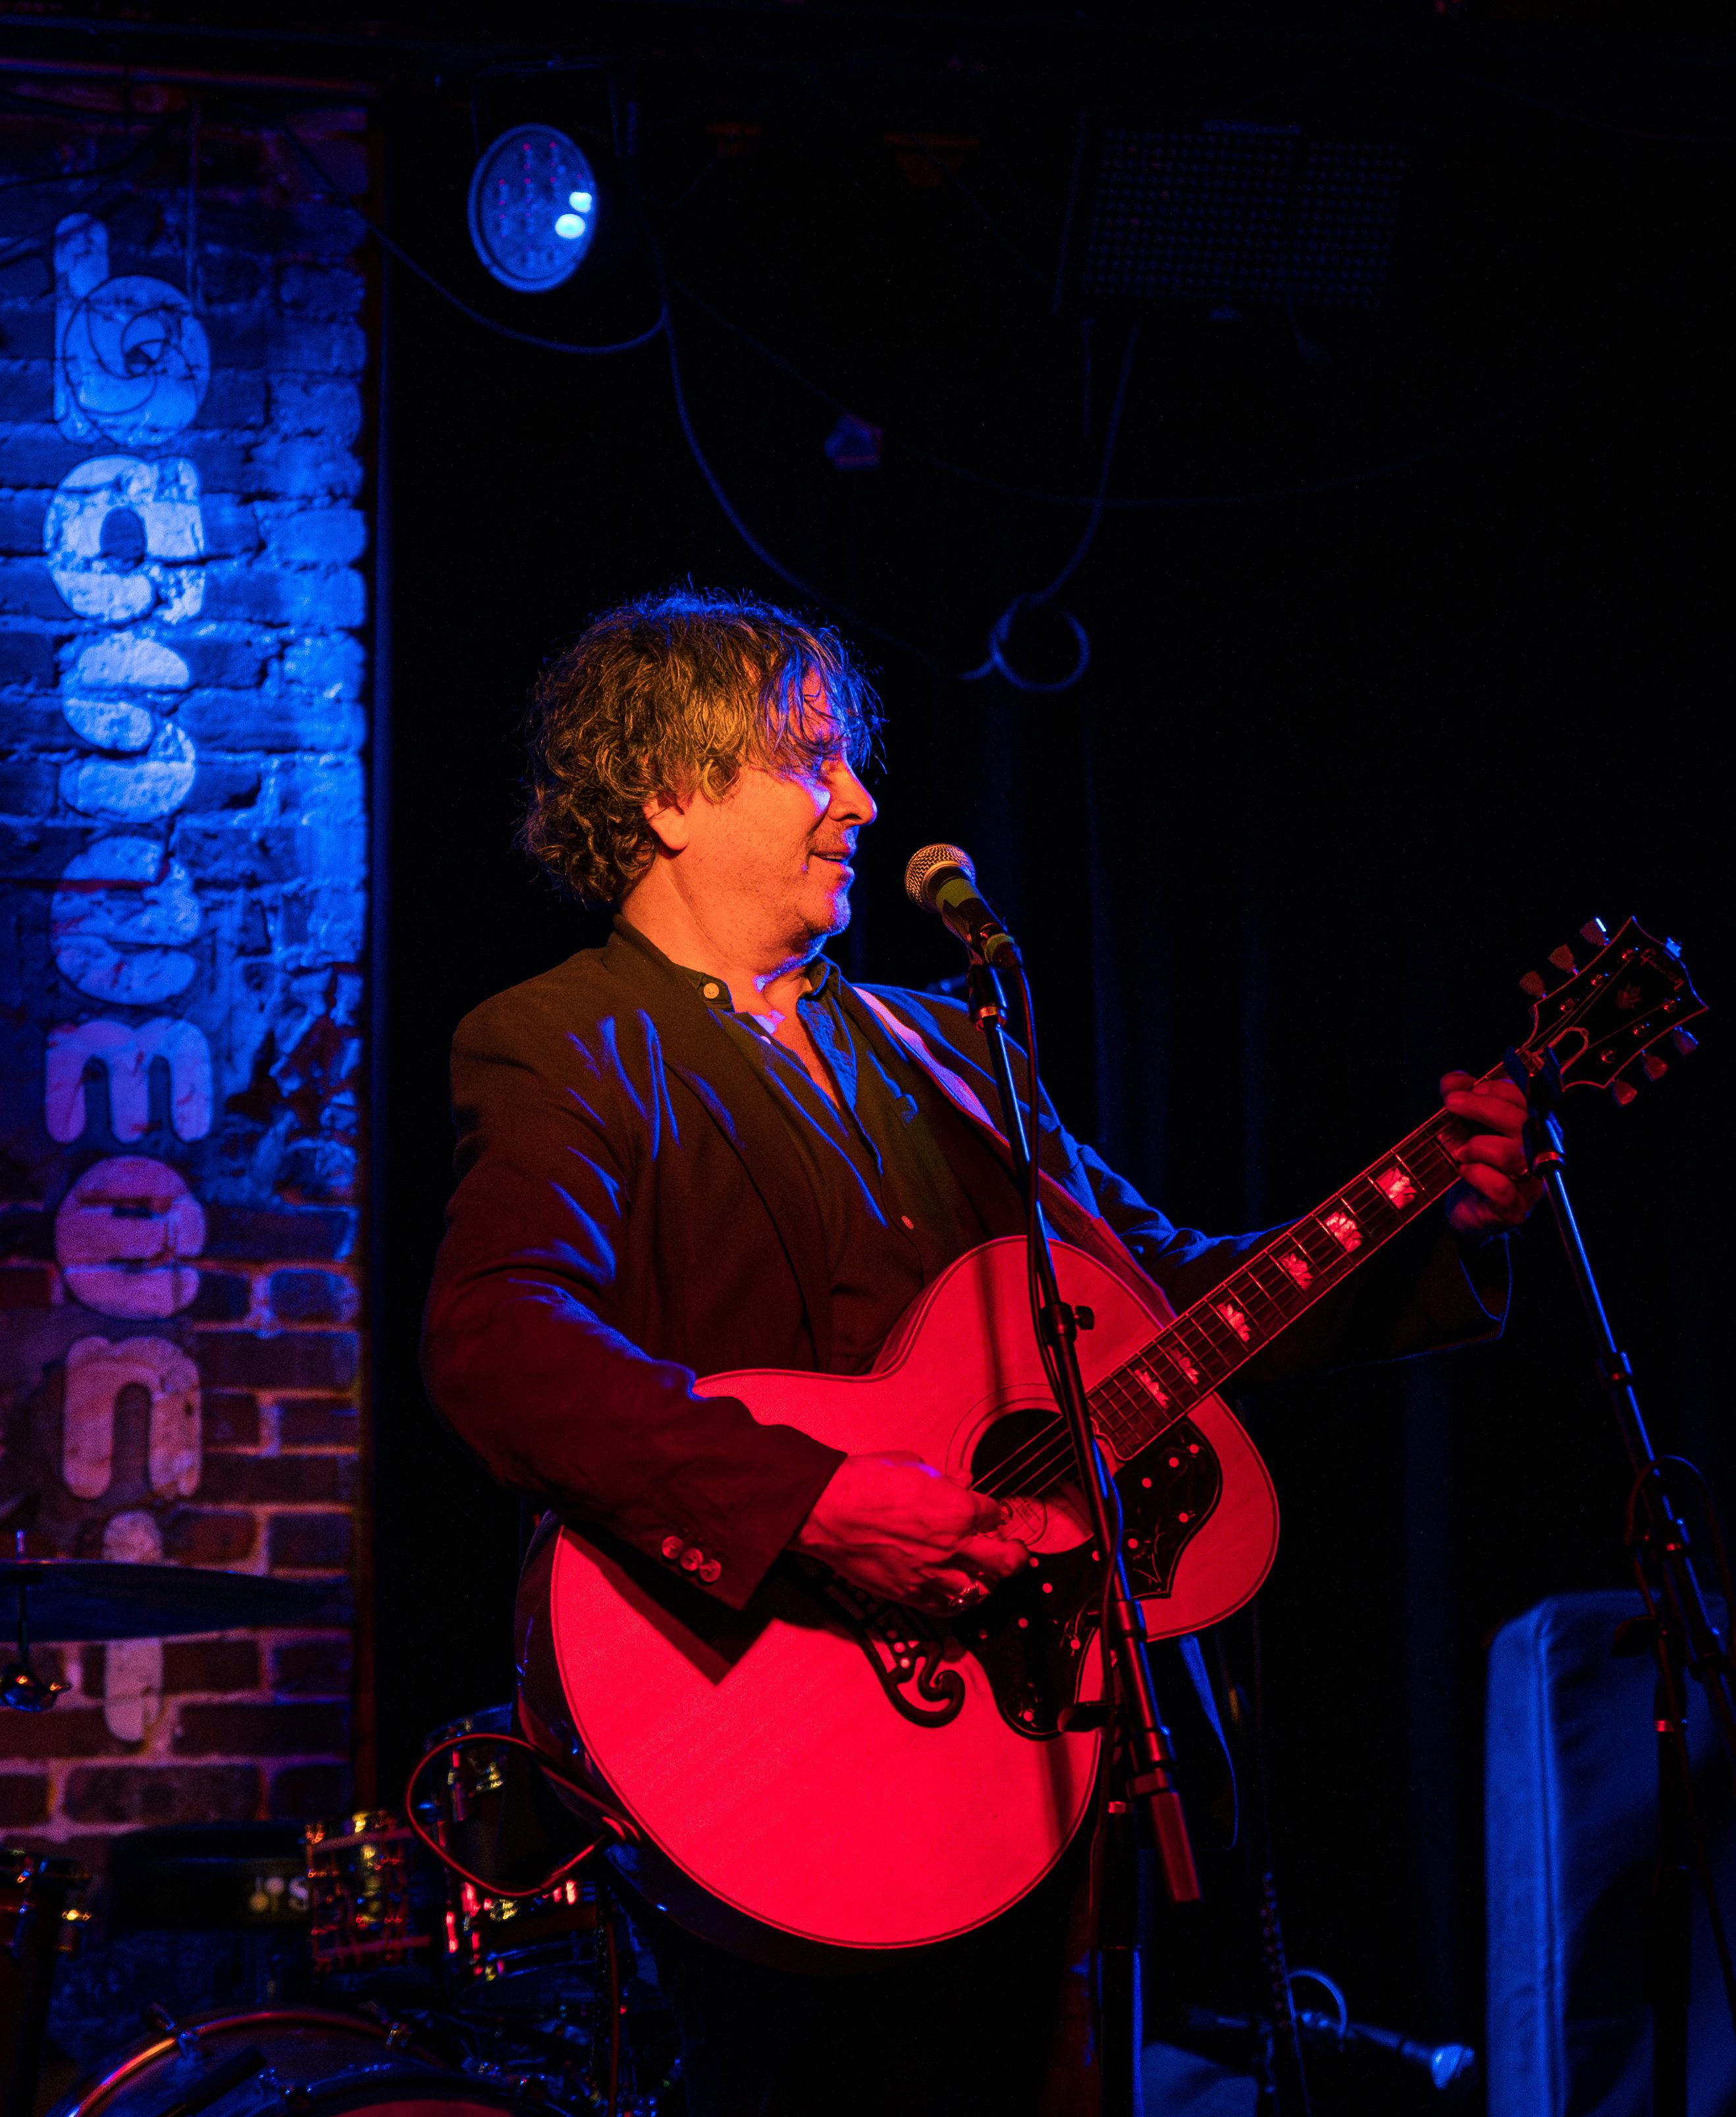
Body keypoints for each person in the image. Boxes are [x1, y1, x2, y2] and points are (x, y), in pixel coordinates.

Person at [421, 588, 1540, 2116]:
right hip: (769, 1747)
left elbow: (1156, 1300)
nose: (859, 801)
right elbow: (498, 1342)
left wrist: (1429, 1218)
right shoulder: (565, 1041)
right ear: (671, 795)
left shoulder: (945, 1049)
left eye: (849, 760)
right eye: (808, 757)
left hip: (1032, 1747)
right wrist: (814, 1504)